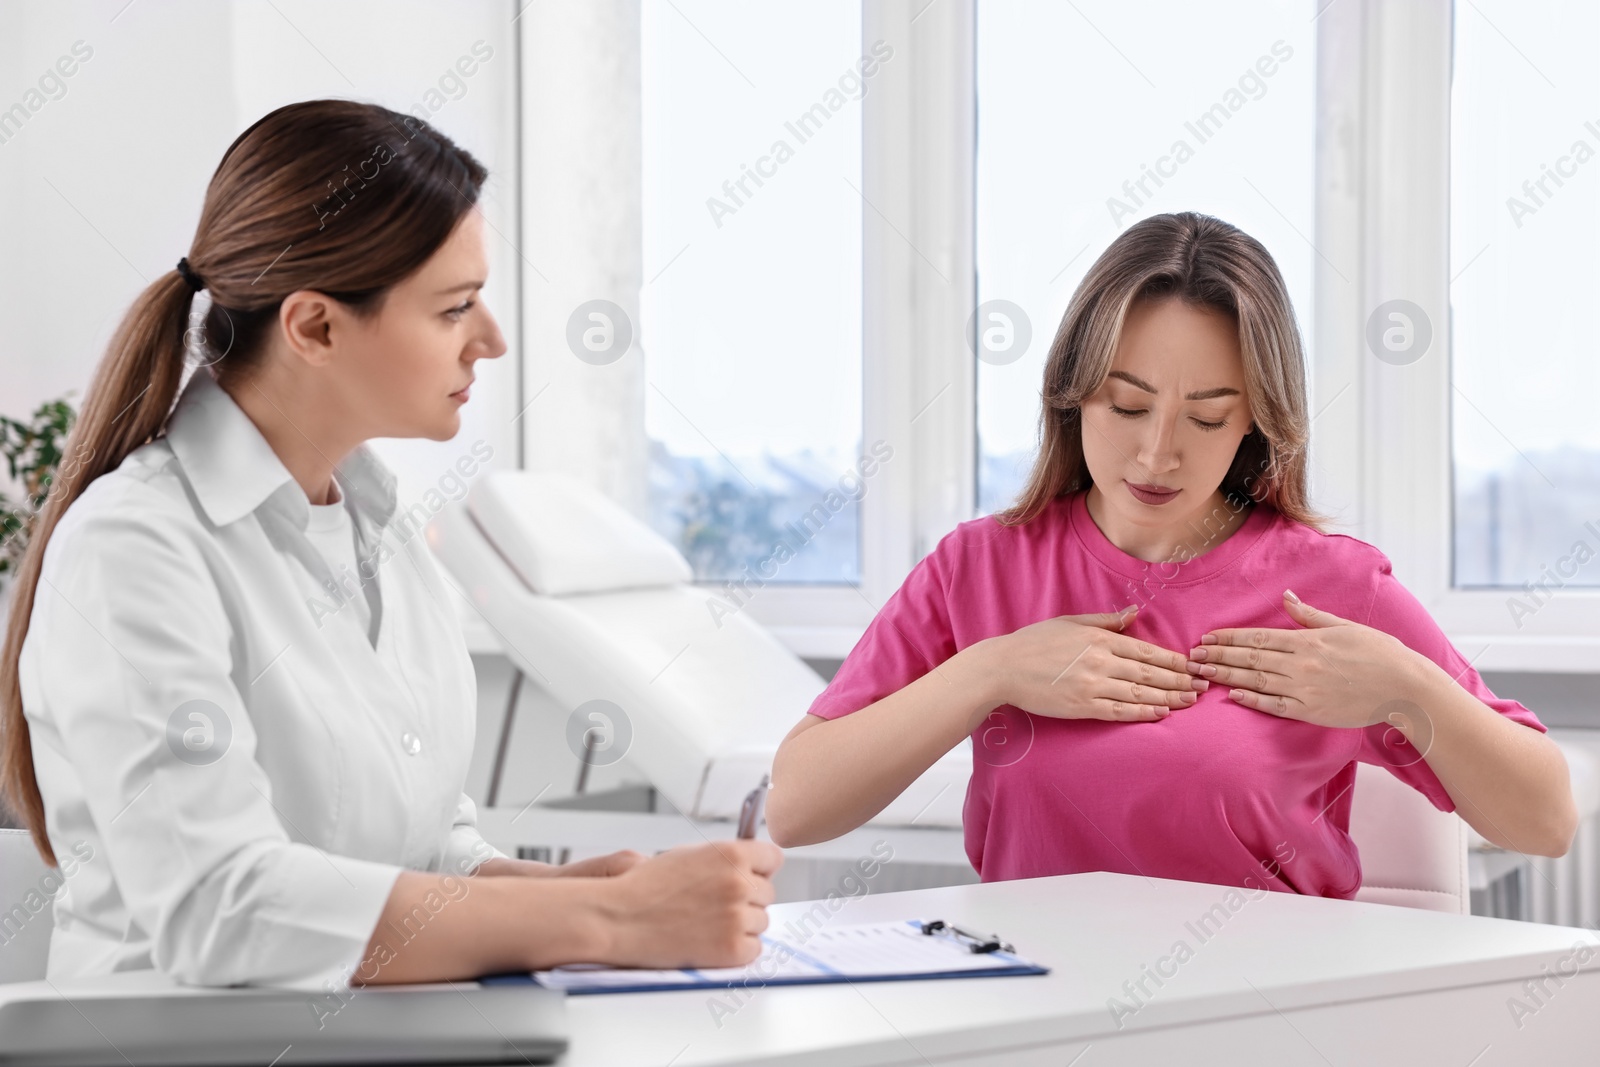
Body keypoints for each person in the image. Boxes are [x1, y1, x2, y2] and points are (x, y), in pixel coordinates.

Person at [0, 99, 780, 991]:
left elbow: (428, 848)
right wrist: (603, 920)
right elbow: (220, 910)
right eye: (455, 308)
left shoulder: (387, 535)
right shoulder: (134, 549)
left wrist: (564, 891)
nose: (491, 340)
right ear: (315, 327)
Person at [767, 212, 1576, 897]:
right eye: (1128, 405)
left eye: (1207, 418)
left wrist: (1404, 687)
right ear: (1073, 390)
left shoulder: (1333, 586)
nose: (1157, 455)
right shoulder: (978, 569)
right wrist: (992, 671)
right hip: (1035, 1015)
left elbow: (1544, 821)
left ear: (1257, 422)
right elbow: (796, 806)